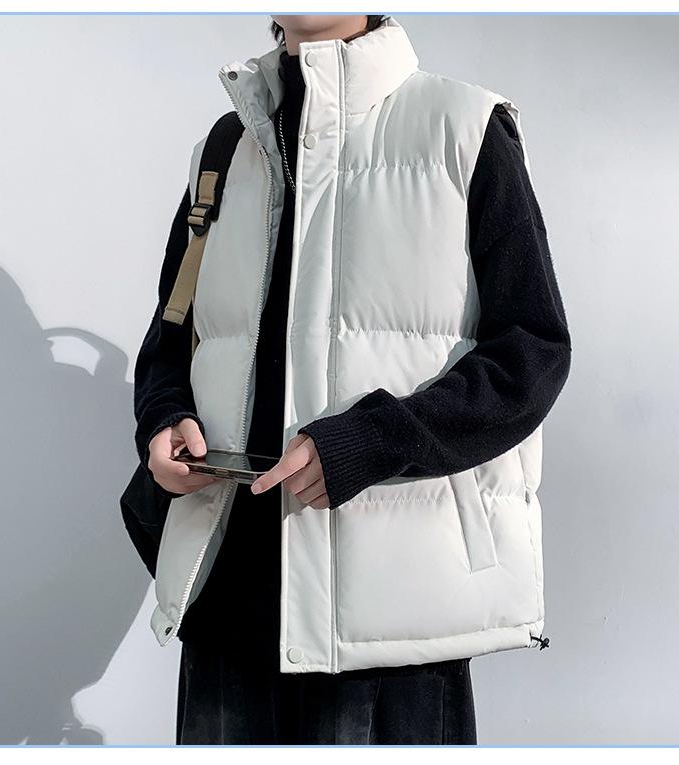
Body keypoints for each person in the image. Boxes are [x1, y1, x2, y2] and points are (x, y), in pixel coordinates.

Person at [134, 14, 571, 745]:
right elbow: (170, 339)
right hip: (225, 608)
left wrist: (372, 441)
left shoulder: (464, 127)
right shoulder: (226, 145)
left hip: (389, 625)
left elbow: (533, 354)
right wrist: (163, 416)